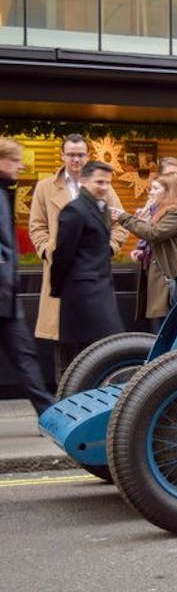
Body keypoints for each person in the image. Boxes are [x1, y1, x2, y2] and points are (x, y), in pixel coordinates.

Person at [29, 134, 127, 383]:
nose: (76, 160)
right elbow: (37, 226)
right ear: (62, 156)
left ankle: (91, 397)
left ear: (87, 156)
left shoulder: (102, 186)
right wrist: (47, 251)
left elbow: (120, 222)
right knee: (64, 345)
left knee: (96, 348)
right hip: (62, 272)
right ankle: (65, 397)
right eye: (71, 155)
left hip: (93, 279)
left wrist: (108, 249)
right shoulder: (45, 187)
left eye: (81, 155)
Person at [49, 161, 125, 369]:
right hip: (82, 294)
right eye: (99, 182)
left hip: (99, 289)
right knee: (88, 354)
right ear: (83, 181)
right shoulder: (74, 210)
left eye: (107, 183)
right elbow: (63, 254)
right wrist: (57, 287)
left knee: (103, 351)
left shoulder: (100, 208)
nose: (104, 187)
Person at [0, 137, 55, 417]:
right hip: (3, 291)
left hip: (6, 297)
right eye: (15, 160)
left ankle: (48, 412)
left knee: (25, 355)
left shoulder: (4, 191)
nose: (20, 166)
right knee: (24, 356)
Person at [110, 174, 177, 332]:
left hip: (169, 283)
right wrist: (143, 252)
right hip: (158, 284)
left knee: (165, 330)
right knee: (159, 328)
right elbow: (156, 241)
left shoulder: (175, 212)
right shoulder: (159, 213)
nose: (150, 192)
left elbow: (153, 233)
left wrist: (124, 217)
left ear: (168, 191)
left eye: (155, 188)